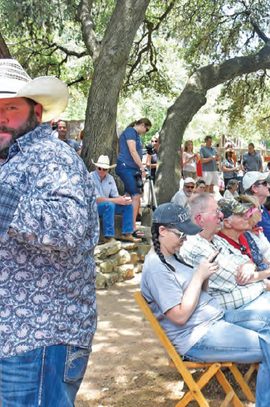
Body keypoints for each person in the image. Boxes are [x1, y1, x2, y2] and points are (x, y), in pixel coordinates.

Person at [0, 59, 99, 406]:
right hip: (18, 336)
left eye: (9, 107)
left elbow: (67, 227)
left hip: (38, 337)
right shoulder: (13, 160)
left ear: (36, 112)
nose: (1, 117)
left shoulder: (51, 156)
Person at [140, 203, 270, 407]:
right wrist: (199, 276)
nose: (184, 240)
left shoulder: (172, 256)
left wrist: (204, 276)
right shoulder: (156, 267)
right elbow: (179, 316)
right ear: (161, 231)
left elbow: (198, 295)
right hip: (196, 336)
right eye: (181, 235)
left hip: (214, 319)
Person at [180, 193, 270, 311]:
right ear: (199, 219)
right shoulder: (195, 246)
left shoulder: (216, 239)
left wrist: (249, 265)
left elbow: (246, 264)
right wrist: (267, 283)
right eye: (216, 212)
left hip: (250, 302)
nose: (220, 215)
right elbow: (239, 280)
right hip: (226, 313)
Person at [90, 155, 140, 243]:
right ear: (95, 167)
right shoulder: (90, 177)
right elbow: (96, 199)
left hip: (107, 205)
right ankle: (108, 237)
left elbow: (115, 195)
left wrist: (123, 199)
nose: (101, 171)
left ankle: (127, 233)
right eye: (99, 168)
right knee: (109, 205)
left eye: (104, 169)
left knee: (128, 205)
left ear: (108, 169)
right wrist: (115, 200)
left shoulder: (110, 178)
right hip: (93, 207)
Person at [116, 117, 152, 237]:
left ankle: (126, 228)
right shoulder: (130, 131)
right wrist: (142, 167)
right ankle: (132, 227)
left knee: (128, 196)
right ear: (142, 125)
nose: (145, 132)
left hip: (132, 168)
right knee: (136, 195)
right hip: (125, 167)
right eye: (146, 129)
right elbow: (132, 151)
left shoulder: (136, 135)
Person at [237, 195, 270, 264]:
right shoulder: (245, 235)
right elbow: (262, 262)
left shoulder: (257, 229)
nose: (261, 211)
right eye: (258, 209)